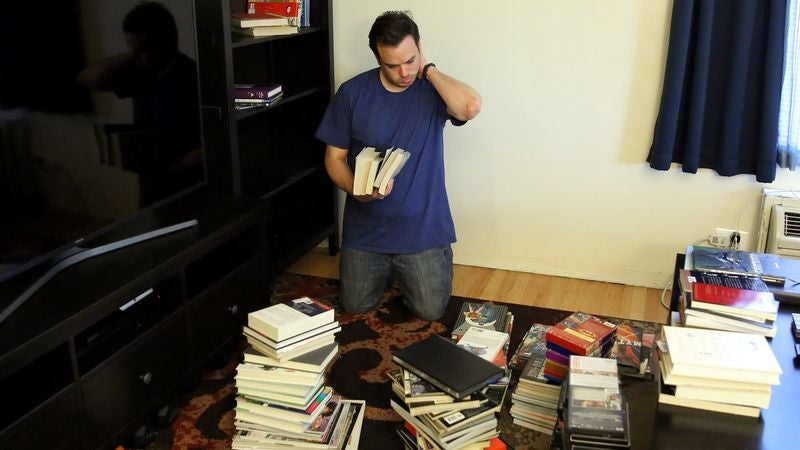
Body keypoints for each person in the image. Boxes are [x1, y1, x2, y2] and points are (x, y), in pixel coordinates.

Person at [315, 11, 481, 321]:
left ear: (420, 47)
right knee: (355, 306)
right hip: (367, 230)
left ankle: (420, 267)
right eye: (392, 65)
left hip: (423, 231)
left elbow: (470, 107)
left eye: (411, 60)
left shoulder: (433, 89)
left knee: (429, 311)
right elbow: (333, 158)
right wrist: (356, 188)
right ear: (377, 58)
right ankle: (390, 272)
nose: (404, 72)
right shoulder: (353, 93)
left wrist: (428, 70)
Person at [78, 1, 203, 207]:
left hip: (187, 186)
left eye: (142, 49)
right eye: (130, 47)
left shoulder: (192, 77)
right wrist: (134, 53)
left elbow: (212, 142)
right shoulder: (139, 73)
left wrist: (172, 168)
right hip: (151, 187)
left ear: (165, 44)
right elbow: (87, 79)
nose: (135, 56)